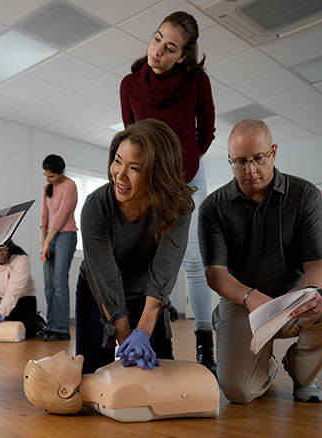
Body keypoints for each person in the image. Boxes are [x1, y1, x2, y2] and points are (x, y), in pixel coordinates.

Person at [199, 119, 322, 404]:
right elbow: (215, 273)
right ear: (229, 160)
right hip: (242, 303)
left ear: (273, 152)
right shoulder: (214, 207)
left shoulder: (305, 195)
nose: (250, 170)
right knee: (239, 392)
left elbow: (320, 264)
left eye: (259, 158)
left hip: (292, 297)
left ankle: (301, 370)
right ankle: (264, 366)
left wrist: (313, 294)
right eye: (239, 162)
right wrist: (249, 297)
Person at [120, 11, 217, 374]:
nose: (158, 50)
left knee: (193, 263)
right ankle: (151, 336)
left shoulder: (196, 82)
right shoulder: (130, 84)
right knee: (150, 259)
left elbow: (205, 129)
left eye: (170, 47)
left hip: (190, 180)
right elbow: (133, 136)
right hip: (151, 181)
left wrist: (187, 159)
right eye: (157, 38)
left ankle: (205, 343)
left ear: (183, 56)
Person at [76, 119, 194, 374]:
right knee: (93, 377)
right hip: (99, 292)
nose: (119, 174)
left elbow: (164, 271)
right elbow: (106, 279)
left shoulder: (178, 207)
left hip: (148, 294)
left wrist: (142, 333)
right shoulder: (96, 207)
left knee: (159, 375)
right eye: (117, 161)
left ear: (157, 173)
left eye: (135, 168)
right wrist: (125, 343)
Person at [23, 351, 219, 422]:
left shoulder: (104, 373)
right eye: (55, 361)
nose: (60, 353)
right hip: (206, 385)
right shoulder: (114, 392)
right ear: (65, 391)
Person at [39, 154, 78, 341]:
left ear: (61, 173)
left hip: (66, 236)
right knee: (48, 286)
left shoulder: (69, 185)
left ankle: (62, 329)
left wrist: (48, 241)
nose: (48, 179)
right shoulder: (47, 187)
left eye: (51, 176)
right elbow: (43, 216)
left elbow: (62, 216)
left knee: (59, 284)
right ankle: (51, 325)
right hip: (49, 238)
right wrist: (43, 242)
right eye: (46, 176)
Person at [0, 240, 40, 338]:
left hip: (21, 300)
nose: (1, 253)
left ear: (10, 249)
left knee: (28, 332)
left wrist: (1, 313)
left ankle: (38, 320)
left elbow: (13, 291)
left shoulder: (21, 260)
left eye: (4, 250)